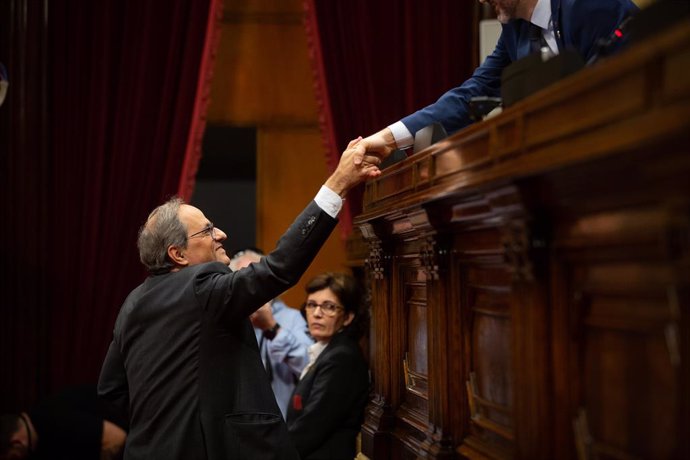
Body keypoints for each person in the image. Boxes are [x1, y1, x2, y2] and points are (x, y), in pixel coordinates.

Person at [96, 139, 381, 460]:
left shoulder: (132, 303)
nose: (221, 235)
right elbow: (280, 267)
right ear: (177, 254)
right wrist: (338, 183)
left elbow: (110, 391)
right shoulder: (201, 285)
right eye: (207, 231)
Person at [355, 0, 639, 161]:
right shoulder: (515, 33)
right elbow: (470, 95)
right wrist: (385, 139)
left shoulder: (591, 6)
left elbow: (617, 85)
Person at [286, 272, 369, 460]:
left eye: (329, 307)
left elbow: (312, 426)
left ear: (347, 317)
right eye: (311, 305)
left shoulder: (342, 357)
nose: (317, 313)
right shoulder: (329, 350)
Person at [229, 248, 314, 419]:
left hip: (280, 419)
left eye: (255, 279)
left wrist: (272, 328)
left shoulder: (292, 318)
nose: (249, 287)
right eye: (241, 280)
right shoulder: (225, 320)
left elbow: (309, 368)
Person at [0, 385, 127, 460]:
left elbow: (117, 439)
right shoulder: (39, 426)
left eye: (13, 458)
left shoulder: (53, 420)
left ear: (17, 443)